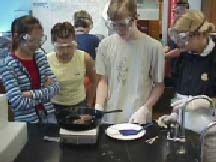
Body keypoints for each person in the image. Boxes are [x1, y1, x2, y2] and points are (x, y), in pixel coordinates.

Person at [95, 0, 165, 124]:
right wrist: (99, 106)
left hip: (137, 116)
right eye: (114, 25)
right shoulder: (105, 45)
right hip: (110, 115)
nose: (118, 29)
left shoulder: (153, 47)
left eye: (123, 24)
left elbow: (159, 86)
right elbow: (103, 81)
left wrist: (144, 109)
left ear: (135, 18)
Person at [1, 15, 60, 123]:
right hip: (27, 121)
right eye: (31, 40)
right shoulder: (8, 65)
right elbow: (17, 102)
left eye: (39, 40)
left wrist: (29, 94)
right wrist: (45, 92)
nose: (36, 45)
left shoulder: (40, 56)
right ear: (16, 37)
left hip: (49, 115)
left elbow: (56, 88)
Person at [47, 22, 96, 114]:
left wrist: (89, 105)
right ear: (53, 44)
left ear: (75, 42)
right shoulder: (46, 60)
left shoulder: (84, 58)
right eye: (60, 47)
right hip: (54, 106)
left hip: (79, 104)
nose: (65, 51)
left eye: (69, 46)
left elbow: (93, 81)